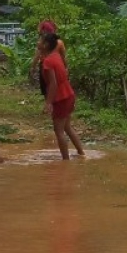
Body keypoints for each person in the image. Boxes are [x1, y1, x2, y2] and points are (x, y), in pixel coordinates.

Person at [40, 32, 85, 161]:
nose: (38, 43)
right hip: (69, 94)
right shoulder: (56, 56)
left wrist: (48, 102)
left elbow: (53, 84)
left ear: (46, 45)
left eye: (40, 40)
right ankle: (81, 153)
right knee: (67, 127)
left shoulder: (47, 62)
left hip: (61, 98)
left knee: (59, 130)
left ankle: (65, 161)